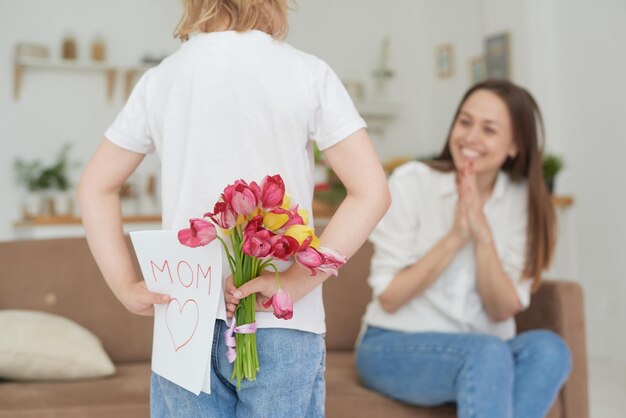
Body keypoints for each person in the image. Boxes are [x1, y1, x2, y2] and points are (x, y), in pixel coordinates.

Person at [77, 1, 390, 417]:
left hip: (184, 321)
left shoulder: (162, 80)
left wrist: (123, 284)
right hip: (282, 325)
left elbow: (94, 187)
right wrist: (292, 284)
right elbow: (372, 192)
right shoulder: (307, 73)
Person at [355, 80, 572, 418]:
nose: (470, 137)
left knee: (550, 350)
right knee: (486, 354)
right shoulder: (412, 183)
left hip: (486, 353)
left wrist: (482, 236)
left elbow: (502, 310)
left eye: (488, 129)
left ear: (515, 144)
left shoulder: (524, 203)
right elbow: (390, 297)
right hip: (392, 345)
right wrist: (456, 237)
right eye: (465, 122)